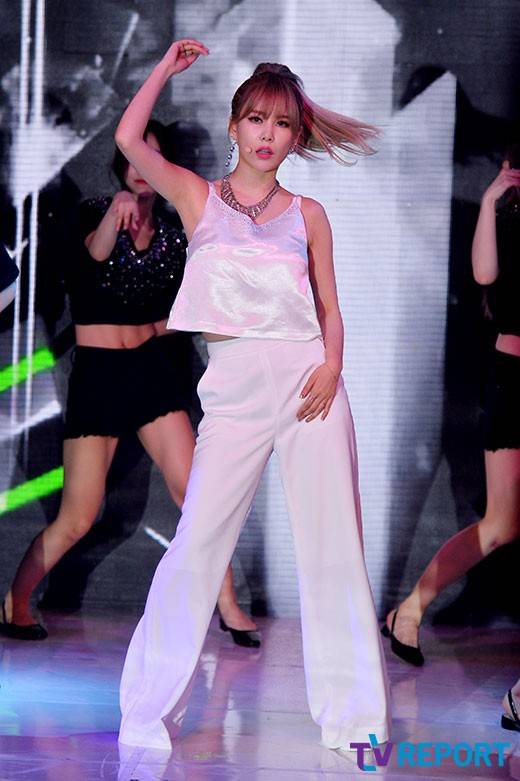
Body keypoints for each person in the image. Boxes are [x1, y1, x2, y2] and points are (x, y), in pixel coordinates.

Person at [114, 38, 390, 752]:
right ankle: (147, 705)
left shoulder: (309, 213)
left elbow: (329, 306)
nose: (268, 134)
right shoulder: (197, 197)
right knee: (197, 541)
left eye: (282, 123)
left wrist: (333, 364)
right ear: (235, 125)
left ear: (296, 137)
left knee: (334, 549)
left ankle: (355, 718)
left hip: (308, 383)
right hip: (233, 388)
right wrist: (164, 69)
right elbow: (129, 140)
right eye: (257, 119)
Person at [0, 120, 257, 644]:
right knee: (79, 515)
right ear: (121, 165)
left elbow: (196, 302)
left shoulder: (174, 231)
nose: (143, 170)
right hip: (99, 377)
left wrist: (171, 330)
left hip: (152, 374)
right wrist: (113, 217)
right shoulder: (93, 212)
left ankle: (228, 604)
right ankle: (15, 602)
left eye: (153, 158)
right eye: (136, 158)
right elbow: (93, 257)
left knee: (197, 496)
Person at [383, 154, 520, 666]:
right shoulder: (507, 215)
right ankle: (411, 608)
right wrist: (489, 200)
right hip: (511, 380)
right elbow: (484, 272)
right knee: (500, 526)